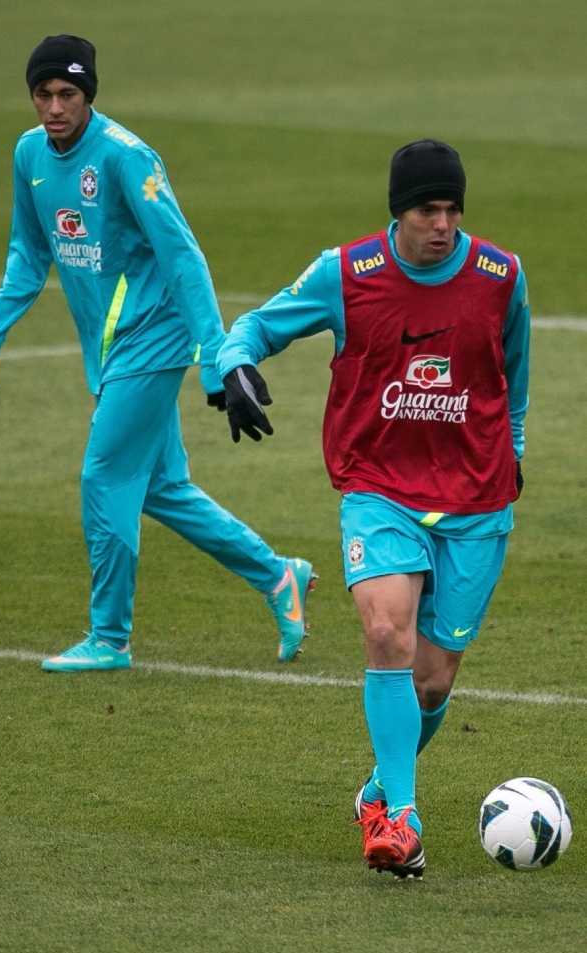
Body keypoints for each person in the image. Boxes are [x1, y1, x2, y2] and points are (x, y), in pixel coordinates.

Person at [216, 139, 530, 879]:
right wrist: (234, 364)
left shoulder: (500, 276)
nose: (443, 225)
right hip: (379, 486)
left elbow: (512, 373)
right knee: (387, 632)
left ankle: (378, 791)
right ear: (399, 211)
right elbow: (256, 324)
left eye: (452, 210)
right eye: (428, 211)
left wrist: (513, 448)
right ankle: (403, 819)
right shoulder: (346, 273)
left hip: (476, 496)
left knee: (432, 681)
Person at [0, 34, 316, 673]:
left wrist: (215, 359)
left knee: (103, 477)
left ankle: (109, 638)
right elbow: (28, 253)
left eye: (67, 94)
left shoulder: (128, 158)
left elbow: (183, 257)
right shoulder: (29, 154)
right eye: (43, 94)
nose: (54, 107)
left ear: (88, 95)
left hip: (153, 337)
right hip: (108, 349)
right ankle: (278, 575)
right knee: (159, 487)